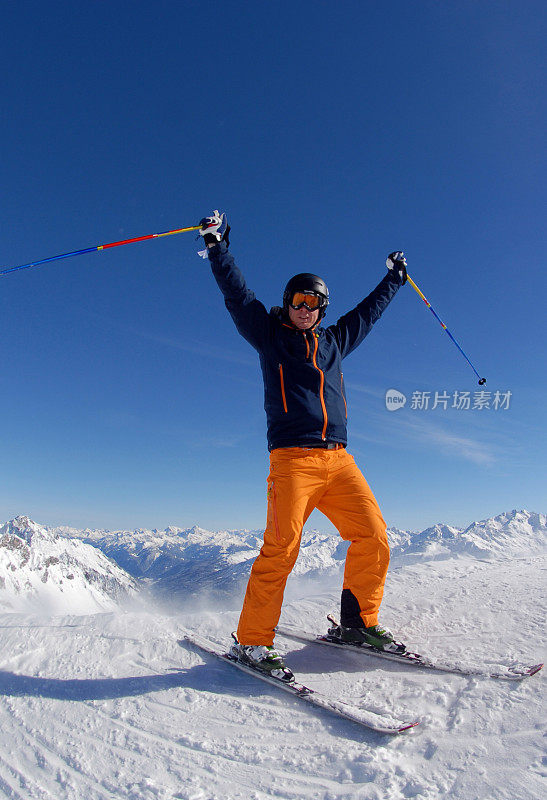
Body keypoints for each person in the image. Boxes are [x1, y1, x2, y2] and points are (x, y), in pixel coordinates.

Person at [199, 210, 408, 681]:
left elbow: (368, 313)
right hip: (293, 460)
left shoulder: (334, 341)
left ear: (321, 309)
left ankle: (357, 625)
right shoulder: (269, 336)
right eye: (297, 299)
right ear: (287, 302)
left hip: (340, 461)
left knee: (373, 537)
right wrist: (217, 247)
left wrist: (393, 279)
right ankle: (252, 642)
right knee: (282, 550)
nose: (304, 308)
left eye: (313, 302)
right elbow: (237, 294)